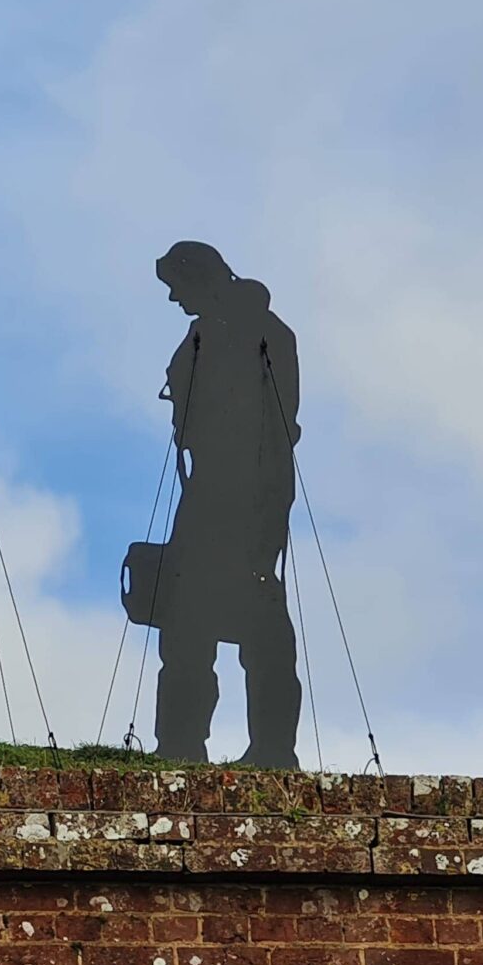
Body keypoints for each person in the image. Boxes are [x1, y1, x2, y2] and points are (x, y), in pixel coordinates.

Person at [149, 241, 302, 767]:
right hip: (211, 491)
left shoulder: (264, 333)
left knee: (250, 616)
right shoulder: (204, 334)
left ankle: (270, 748)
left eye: (177, 286)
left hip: (248, 495)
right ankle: (181, 746)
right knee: (188, 620)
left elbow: (283, 427)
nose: (173, 298)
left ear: (202, 278)